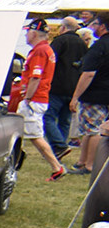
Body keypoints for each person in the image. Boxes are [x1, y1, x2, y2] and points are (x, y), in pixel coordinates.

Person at [13, 19, 67, 180]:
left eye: (27, 31)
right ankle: (15, 161)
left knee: (35, 136)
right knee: (22, 131)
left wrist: (27, 98)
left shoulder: (40, 51)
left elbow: (35, 77)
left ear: (34, 33)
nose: (25, 35)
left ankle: (57, 167)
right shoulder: (45, 49)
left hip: (34, 99)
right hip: (38, 97)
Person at [71, 16, 109, 174]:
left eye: (95, 24)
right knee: (87, 130)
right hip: (105, 94)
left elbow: (88, 74)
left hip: (95, 94)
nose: (93, 28)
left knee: (93, 131)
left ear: (102, 27)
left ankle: (89, 165)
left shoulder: (99, 46)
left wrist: (75, 97)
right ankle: (82, 161)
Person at [49, 16, 88, 162]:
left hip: (57, 86)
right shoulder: (82, 44)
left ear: (63, 28)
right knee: (65, 120)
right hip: (74, 88)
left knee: (49, 117)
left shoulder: (59, 41)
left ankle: (58, 145)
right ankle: (61, 146)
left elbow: (51, 60)